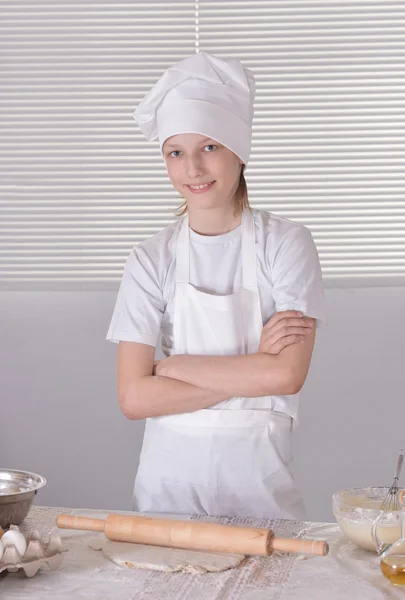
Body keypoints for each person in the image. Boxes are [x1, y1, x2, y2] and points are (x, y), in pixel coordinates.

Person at [107, 52, 326, 520]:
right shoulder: (150, 259)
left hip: (260, 495)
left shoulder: (286, 245)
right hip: (166, 497)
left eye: (209, 147)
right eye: (176, 153)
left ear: (237, 149)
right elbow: (133, 398)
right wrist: (252, 373)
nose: (193, 169)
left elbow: (286, 375)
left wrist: (174, 368)